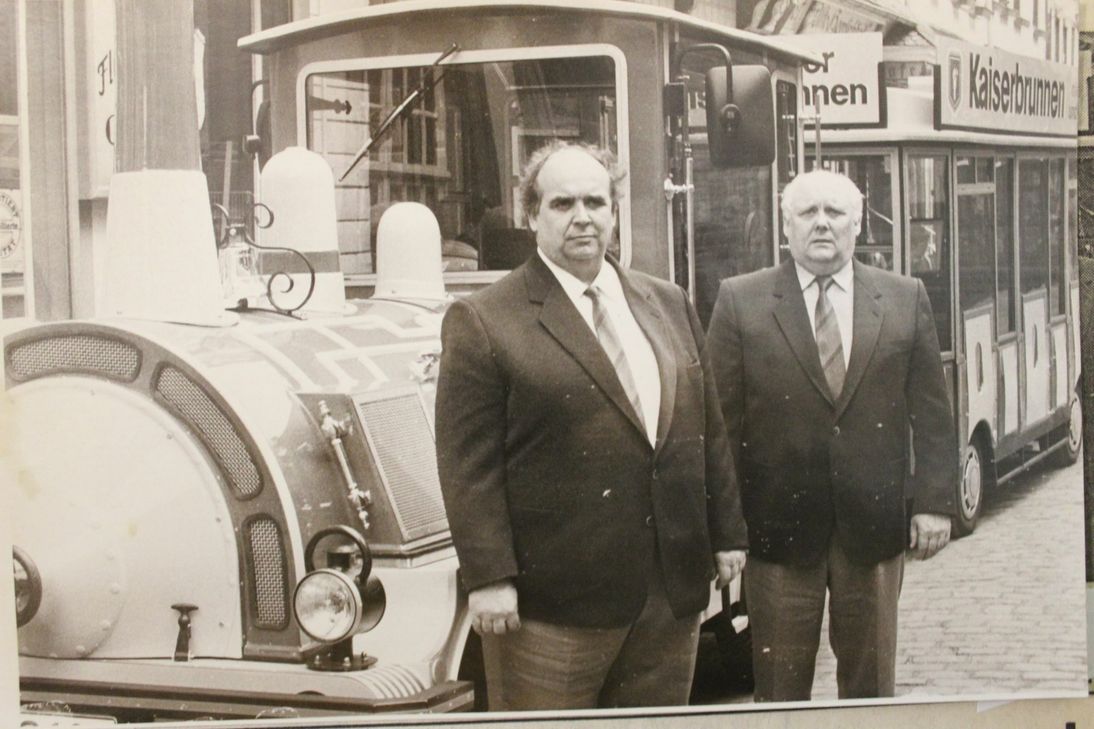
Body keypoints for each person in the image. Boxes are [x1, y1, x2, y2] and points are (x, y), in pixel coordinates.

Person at [434, 141, 748, 710]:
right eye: (562, 204)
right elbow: (467, 468)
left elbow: (707, 428)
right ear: (531, 216)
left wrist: (726, 533)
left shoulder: (666, 301)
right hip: (553, 609)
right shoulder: (484, 320)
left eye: (596, 202)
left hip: (667, 598)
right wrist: (488, 579)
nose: (583, 217)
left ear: (615, 211)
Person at [706, 169, 958, 701]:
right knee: (779, 694)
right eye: (807, 213)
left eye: (835, 213)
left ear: (858, 224)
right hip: (778, 537)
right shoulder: (740, 302)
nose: (822, 224)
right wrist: (726, 529)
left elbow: (933, 415)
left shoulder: (903, 297)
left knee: (870, 691)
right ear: (786, 226)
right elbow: (718, 429)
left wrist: (935, 503)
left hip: (872, 535)